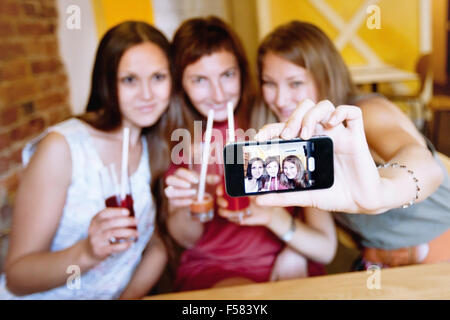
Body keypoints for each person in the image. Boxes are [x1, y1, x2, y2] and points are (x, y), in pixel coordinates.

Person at [0, 21, 181, 299]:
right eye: (129, 80)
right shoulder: (62, 148)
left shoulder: (154, 145)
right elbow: (17, 277)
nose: (147, 94)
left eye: (158, 77)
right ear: (107, 82)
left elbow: (156, 244)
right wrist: (87, 252)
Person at [253, 21, 450, 269]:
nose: (280, 99)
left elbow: (424, 164)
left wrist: (382, 192)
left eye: (295, 83)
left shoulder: (364, 114)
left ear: (324, 76)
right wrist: (294, 250)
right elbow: (319, 219)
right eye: (269, 83)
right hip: (378, 266)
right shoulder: (301, 140)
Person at [162, 16, 337, 291]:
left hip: (288, 262)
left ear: (243, 72)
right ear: (180, 84)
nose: (218, 94)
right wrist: (192, 200)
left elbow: (324, 243)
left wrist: (296, 249)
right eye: (199, 80)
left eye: (227, 75)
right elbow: (187, 239)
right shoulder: (183, 140)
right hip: (215, 269)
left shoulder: (274, 121)